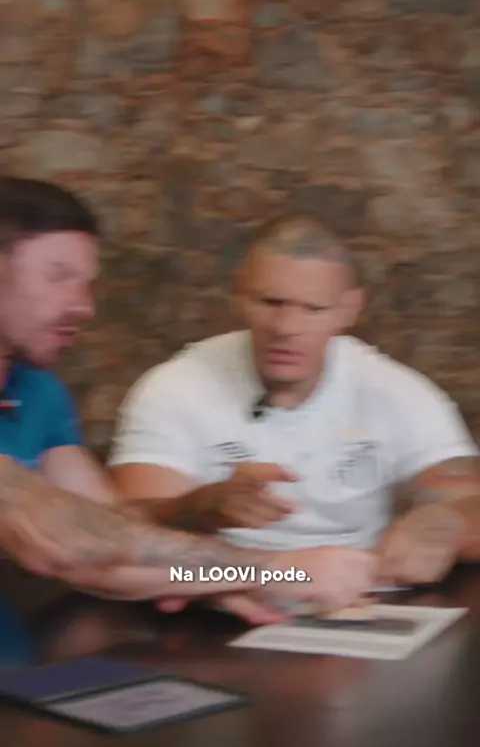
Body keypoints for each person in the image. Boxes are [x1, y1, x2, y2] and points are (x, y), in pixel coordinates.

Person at [0, 181, 378, 747]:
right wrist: (283, 572)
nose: (84, 305)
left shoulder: (38, 392)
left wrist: (211, 579)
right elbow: (69, 545)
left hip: (21, 674)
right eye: (59, 277)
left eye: (87, 282)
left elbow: (113, 528)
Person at [110, 212, 480, 617]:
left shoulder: (395, 391)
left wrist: (447, 522)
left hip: (363, 603)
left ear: (348, 309)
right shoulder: (175, 387)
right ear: (239, 294)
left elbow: (470, 503)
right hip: (219, 604)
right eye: (270, 302)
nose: (286, 327)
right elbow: (127, 549)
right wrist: (200, 509)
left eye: (313, 309)